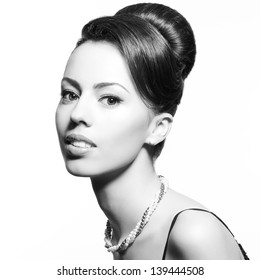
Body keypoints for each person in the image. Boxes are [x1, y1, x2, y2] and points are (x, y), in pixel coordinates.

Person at [55, 3, 249, 260]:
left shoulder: (194, 234)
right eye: (71, 94)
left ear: (158, 128)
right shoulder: (121, 231)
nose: (78, 114)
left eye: (110, 99)